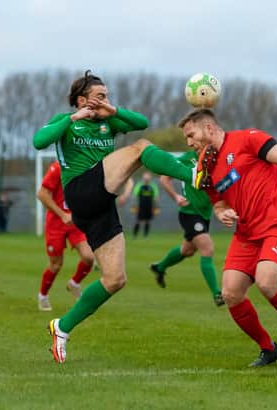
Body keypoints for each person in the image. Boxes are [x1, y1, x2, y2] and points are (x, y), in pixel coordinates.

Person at [33, 70, 207, 363]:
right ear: (81, 100)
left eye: (107, 96)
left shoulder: (108, 122)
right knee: (141, 148)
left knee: (115, 279)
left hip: (100, 204)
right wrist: (72, 119)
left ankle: (61, 328)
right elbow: (39, 141)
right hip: (80, 190)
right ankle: (195, 175)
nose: (105, 101)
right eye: (100, 96)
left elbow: (142, 122)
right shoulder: (66, 123)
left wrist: (112, 110)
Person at [178, 108, 277, 367]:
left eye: (190, 134)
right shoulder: (203, 167)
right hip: (246, 234)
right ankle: (268, 349)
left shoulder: (248, 138)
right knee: (231, 293)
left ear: (209, 128)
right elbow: (217, 204)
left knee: (267, 282)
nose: (188, 142)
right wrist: (222, 213)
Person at [150, 150, 224, 306]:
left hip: (204, 215)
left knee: (187, 250)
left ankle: (160, 267)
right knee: (207, 248)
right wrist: (176, 197)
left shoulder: (216, 158)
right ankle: (217, 294)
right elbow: (164, 178)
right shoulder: (187, 158)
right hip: (189, 213)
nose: (194, 142)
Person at [36, 161, 95, 311]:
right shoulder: (58, 167)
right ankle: (43, 296)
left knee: (89, 257)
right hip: (56, 223)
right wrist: (62, 214)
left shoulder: (84, 166)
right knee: (56, 265)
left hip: (75, 221)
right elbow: (41, 194)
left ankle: (74, 284)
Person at [132, 171, 159, 237]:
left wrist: (156, 207)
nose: (146, 179)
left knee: (148, 220)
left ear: (150, 178)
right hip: (141, 206)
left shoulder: (153, 186)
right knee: (138, 220)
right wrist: (134, 206)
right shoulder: (139, 185)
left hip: (149, 206)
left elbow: (156, 197)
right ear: (143, 178)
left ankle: (145, 235)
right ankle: (135, 234)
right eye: (145, 178)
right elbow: (135, 195)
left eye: (148, 178)